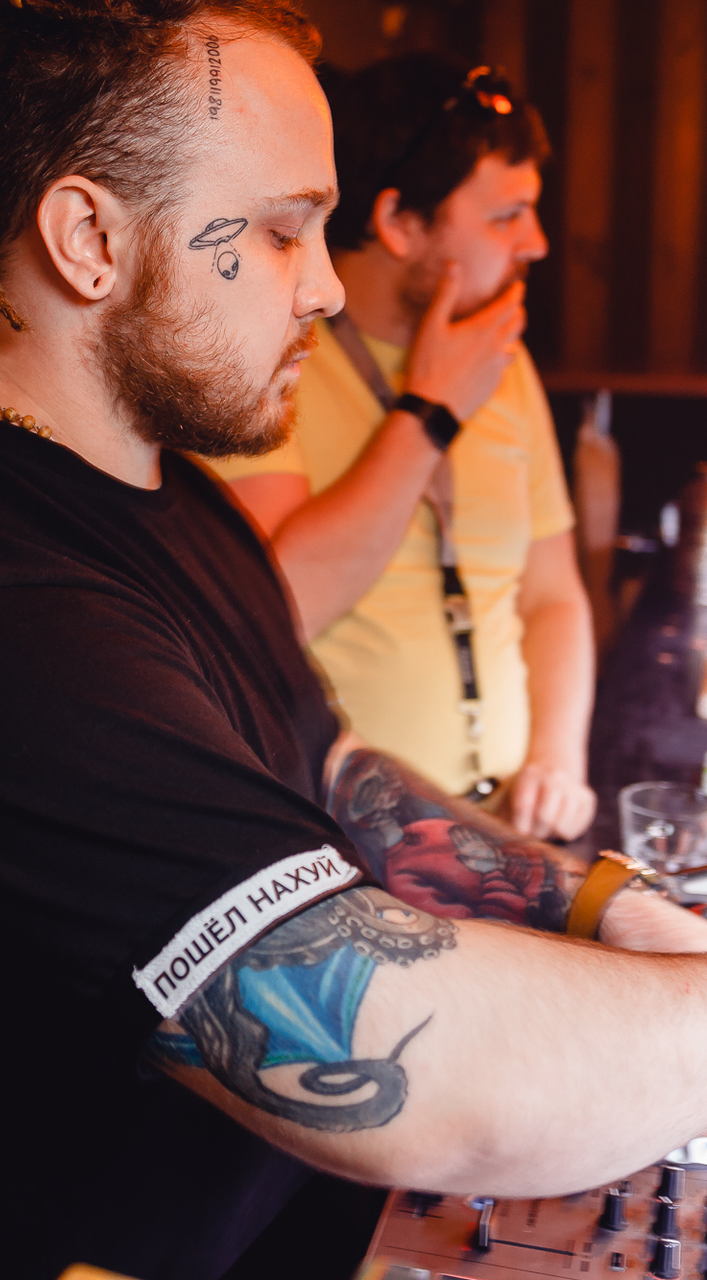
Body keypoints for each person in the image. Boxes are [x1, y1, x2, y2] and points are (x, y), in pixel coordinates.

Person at [0, 4, 707, 1278]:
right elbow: (432, 1076)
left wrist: (618, 908)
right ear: (90, 240)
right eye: (282, 232)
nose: (328, 284)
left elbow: (337, 778)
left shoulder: (168, 493)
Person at [211, 54, 595, 839]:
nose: (537, 243)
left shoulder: (504, 358)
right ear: (400, 224)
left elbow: (553, 594)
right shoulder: (266, 362)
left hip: (510, 826)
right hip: (347, 841)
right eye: (506, 217)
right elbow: (282, 610)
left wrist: (558, 756)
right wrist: (429, 414)